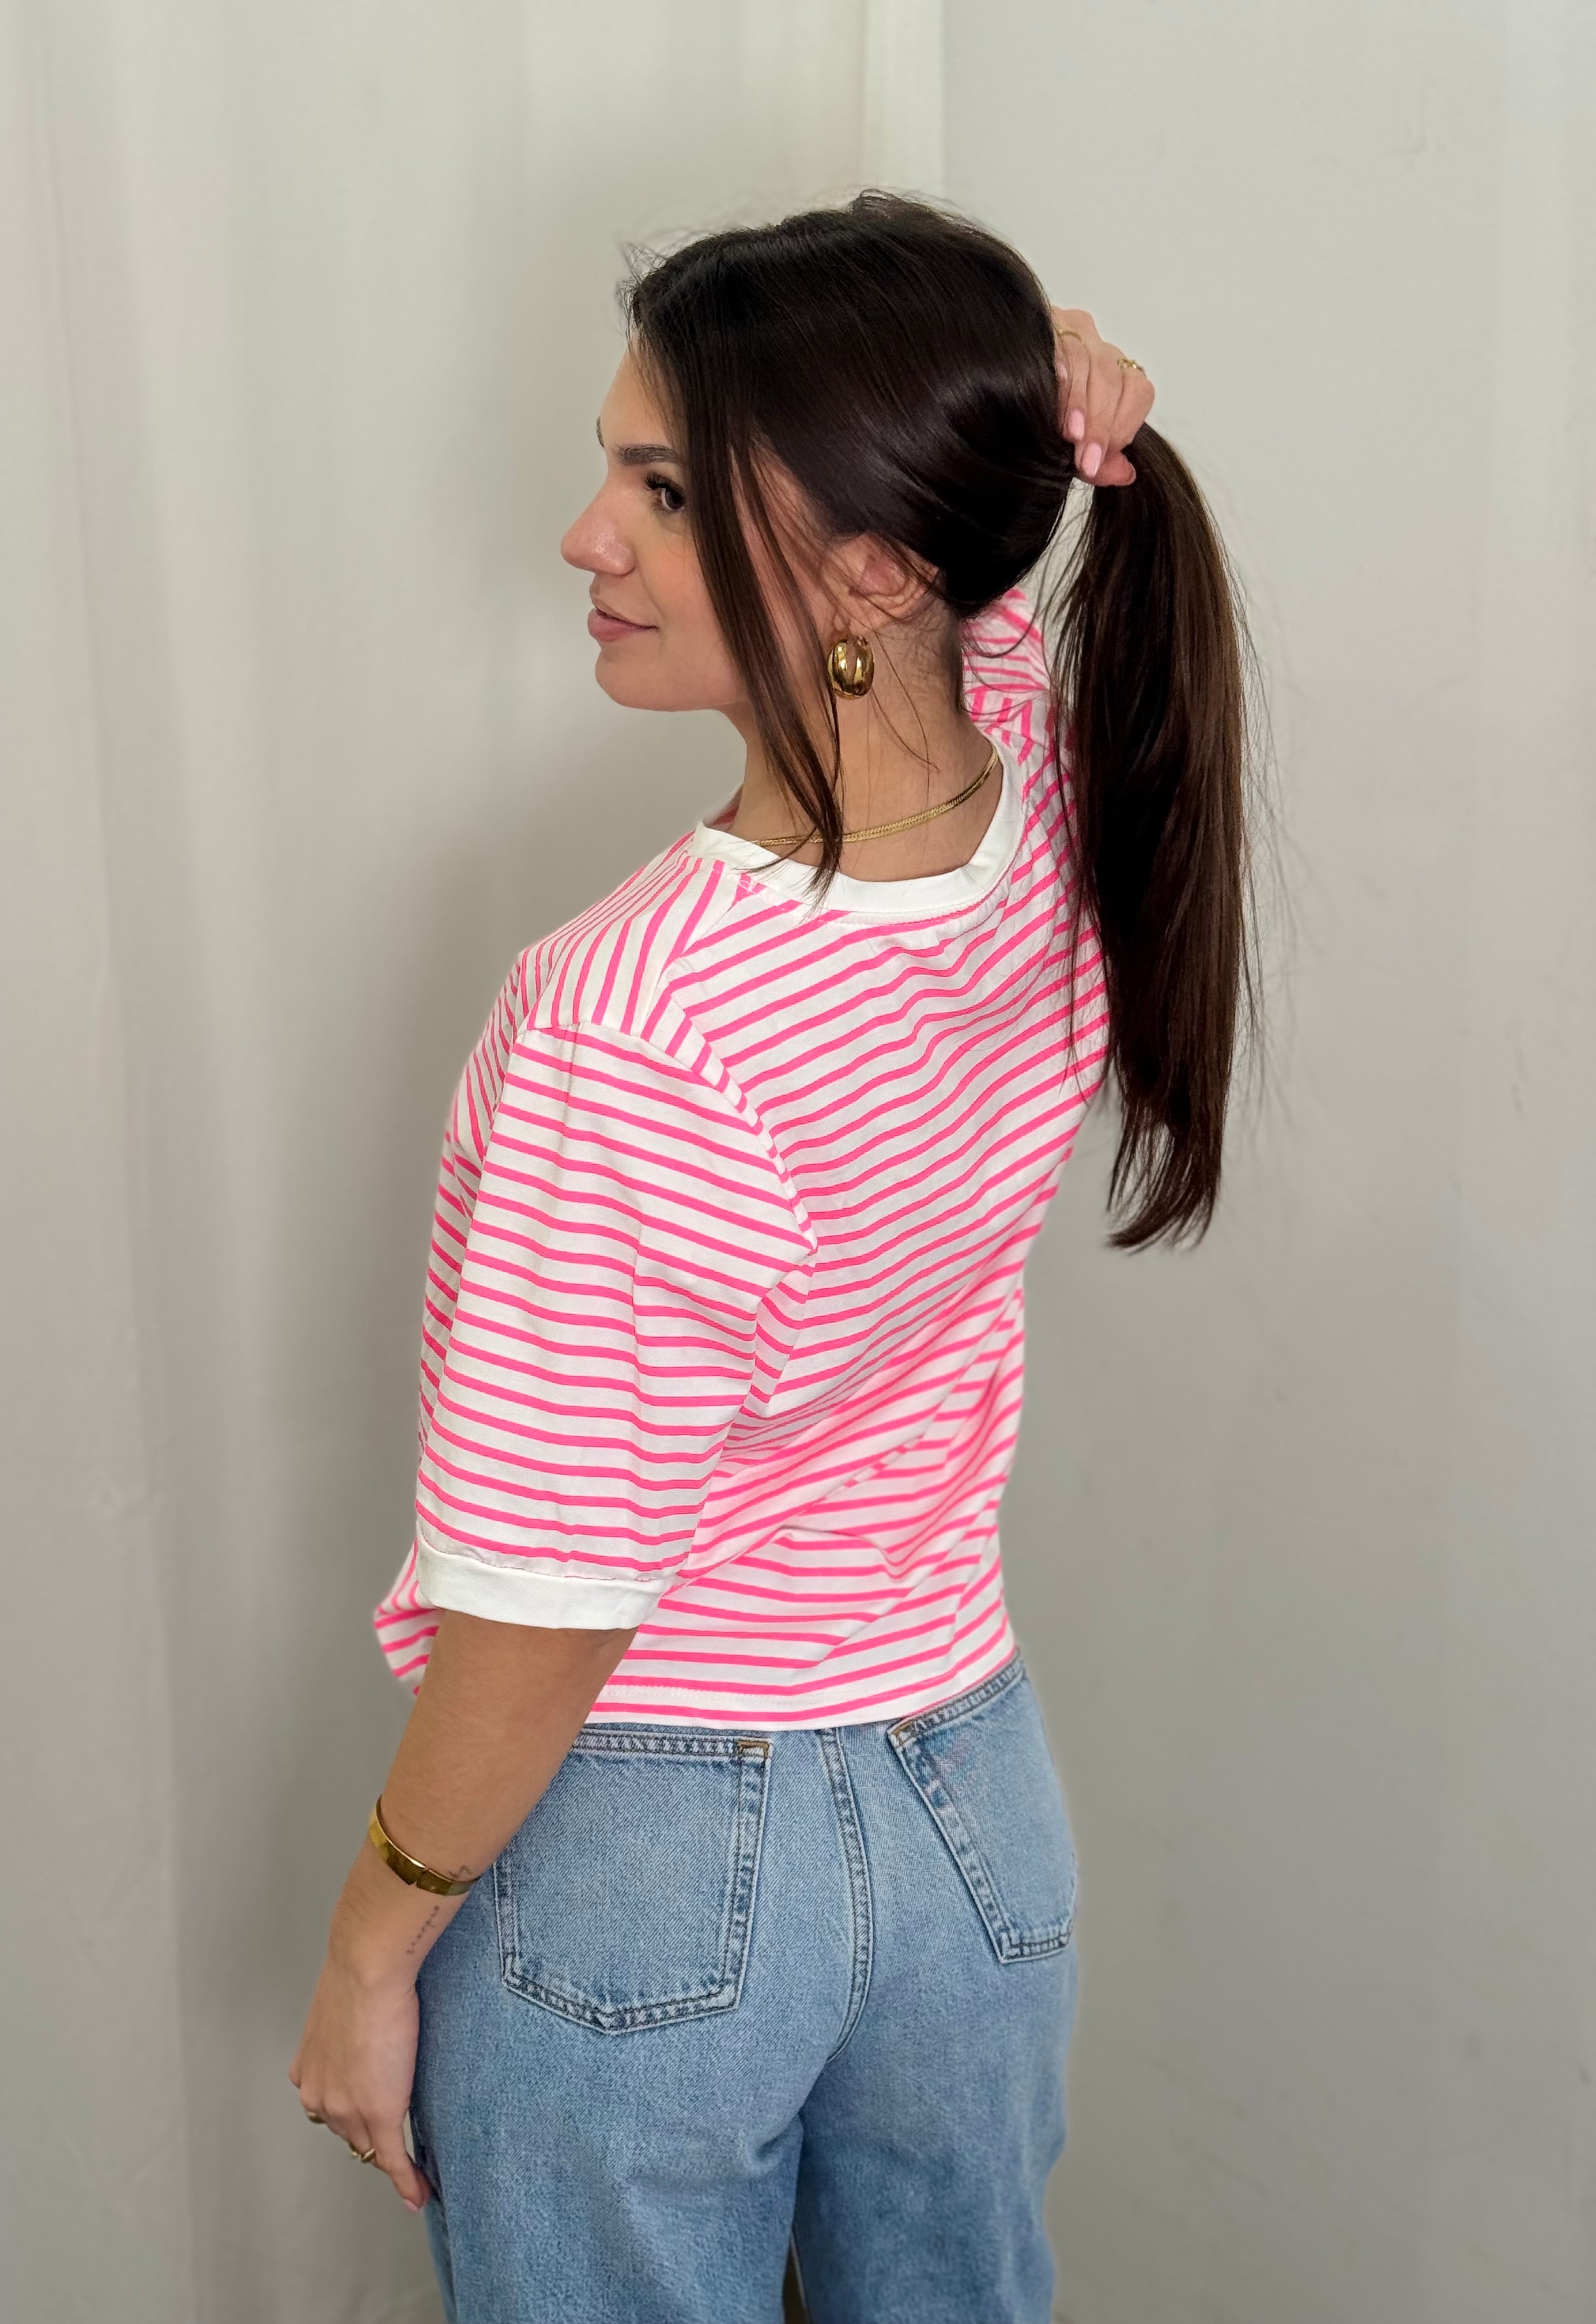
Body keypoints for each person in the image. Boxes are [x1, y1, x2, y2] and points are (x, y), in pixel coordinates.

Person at [290, 191, 1254, 2324]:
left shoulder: (634, 1018)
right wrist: (1038, 377)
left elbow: (547, 1601)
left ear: (880, 566)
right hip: (969, 1812)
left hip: (654, 1863)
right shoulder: (1050, 806)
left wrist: (372, 1950)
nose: (585, 538)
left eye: (659, 487)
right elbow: (984, 564)